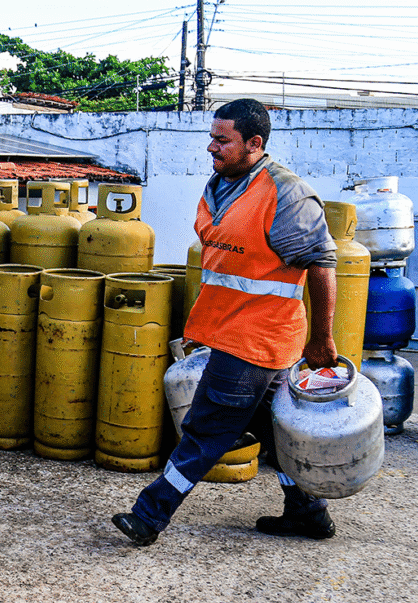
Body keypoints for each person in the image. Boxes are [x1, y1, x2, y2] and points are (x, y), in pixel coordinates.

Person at [112, 98, 339, 545]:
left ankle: (149, 516)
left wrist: (322, 338)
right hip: (236, 333)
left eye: (222, 139)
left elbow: (321, 262)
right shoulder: (221, 184)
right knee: (276, 431)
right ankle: (308, 513)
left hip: (255, 338)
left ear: (254, 143)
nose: (211, 147)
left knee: (206, 431)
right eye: (211, 137)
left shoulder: (286, 194)